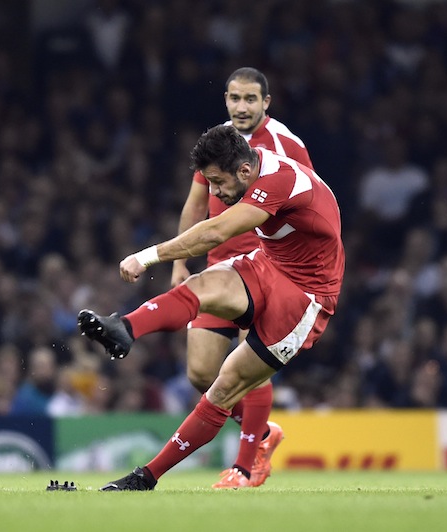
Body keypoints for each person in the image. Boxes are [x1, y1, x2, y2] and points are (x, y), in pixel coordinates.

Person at [78, 125, 344, 490]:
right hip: (271, 263)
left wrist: (147, 257)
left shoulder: (278, 179)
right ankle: (125, 327)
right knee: (201, 285)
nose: (214, 192)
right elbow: (203, 216)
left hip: (306, 296)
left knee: (224, 386)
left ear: (245, 172)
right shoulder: (255, 168)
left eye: (217, 183)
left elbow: (215, 232)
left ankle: (148, 476)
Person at [170, 67, 314, 488]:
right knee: (200, 372)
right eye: (234, 98)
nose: (241, 106)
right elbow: (197, 202)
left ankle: (246, 465)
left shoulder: (287, 144)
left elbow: (309, 196)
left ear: (266, 102)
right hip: (219, 266)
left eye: (250, 99)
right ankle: (264, 432)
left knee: (249, 367)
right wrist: (181, 261)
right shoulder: (217, 141)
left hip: (267, 268)